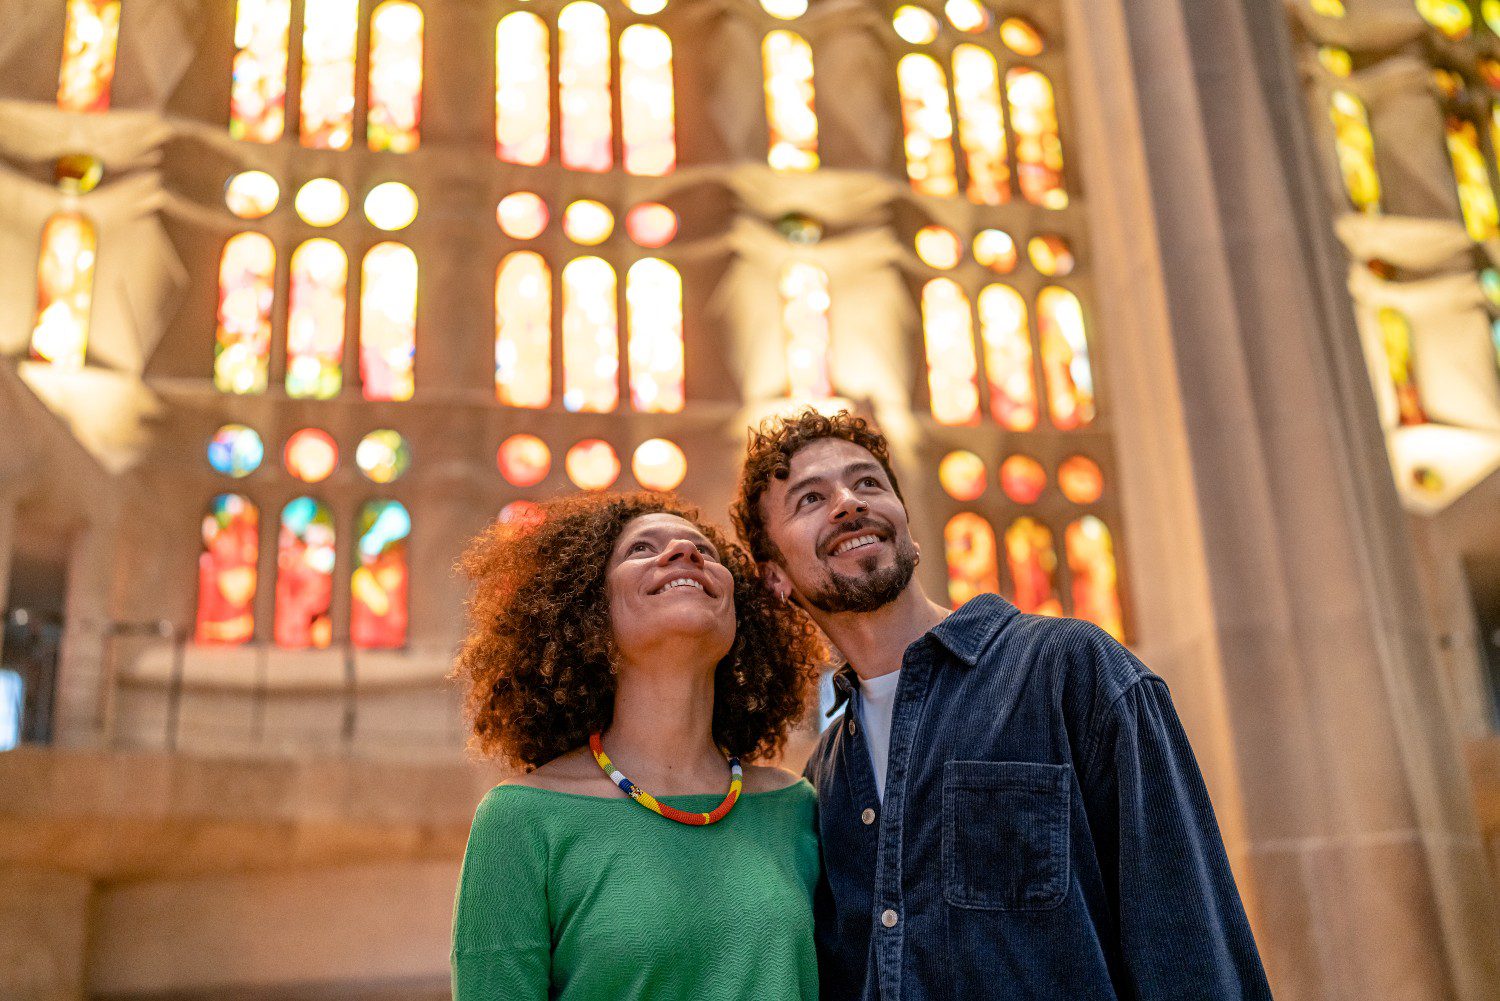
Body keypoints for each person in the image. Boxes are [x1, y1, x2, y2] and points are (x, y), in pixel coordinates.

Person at [730, 409, 1273, 1001]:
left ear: (907, 525)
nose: (848, 503)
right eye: (810, 498)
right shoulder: (826, 779)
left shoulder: (1070, 668)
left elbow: (1188, 935)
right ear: (775, 578)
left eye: (868, 483)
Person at [450, 491, 824, 1001]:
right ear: (590, 613)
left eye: (704, 552)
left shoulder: (795, 807)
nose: (684, 554)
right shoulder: (521, 820)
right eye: (641, 549)